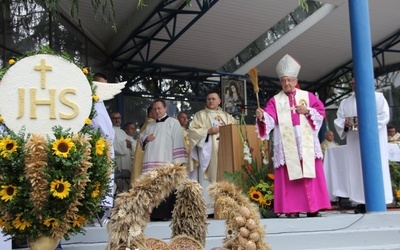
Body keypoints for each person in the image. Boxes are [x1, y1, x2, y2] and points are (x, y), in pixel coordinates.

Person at [255, 54, 331, 218]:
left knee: (309, 171)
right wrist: (262, 117)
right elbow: (270, 117)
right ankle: (292, 209)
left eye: (289, 80)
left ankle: (313, 208)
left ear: (295, 80)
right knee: (289, 174)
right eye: (283, 81)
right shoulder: (275, 100)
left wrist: (308, 111)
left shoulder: (308, 96)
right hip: (287, 141)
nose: (286, 83)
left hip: (306, 141)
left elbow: (321, 112)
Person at [334, 77, 393, 213]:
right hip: (355, 142)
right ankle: (360, 202)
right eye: (352, 83)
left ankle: (380, 200)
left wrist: (365, 123)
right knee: (357, 169)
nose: (354, 85)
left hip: (374, 140)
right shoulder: (345, 102)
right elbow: (339, 120)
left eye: (357, 82)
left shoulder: (378, 97)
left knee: (375, 167)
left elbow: (384, 116)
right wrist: (345, 124)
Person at [188, 91, 236, 215]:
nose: (211, 101)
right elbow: (193, 131)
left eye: (213, 99)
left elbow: (235, 131)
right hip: (208, 154)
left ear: (219, 101)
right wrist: (208, 131)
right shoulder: (200, 115)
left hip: (225, 152)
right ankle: (209, 209)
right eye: (208, 99)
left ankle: (226, 207)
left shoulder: (228, 116)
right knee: (208, 180)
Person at [140, 99, 187, 220]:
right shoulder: (149, 125)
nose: (157, 111)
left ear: (165, 109)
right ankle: (155, 214)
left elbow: (178, 141)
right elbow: (141, 140)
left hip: (167, 160)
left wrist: (178, 163)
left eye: (159, 108)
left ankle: (166, 214)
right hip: (152, 160)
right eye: (154, 109)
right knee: (153, 188)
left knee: (167, 188)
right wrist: (146, 139)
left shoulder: (173, 123)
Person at [130, 105, 156, 184]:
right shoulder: (151, 124)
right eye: (156, 110)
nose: (159, 113)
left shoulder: (147, 124)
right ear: (151, 114)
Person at [111, 112, 136, 192]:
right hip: (117, 162)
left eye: (118, 118)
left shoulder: (123, 132)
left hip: (126, 162)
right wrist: (125, 144)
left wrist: (129, 145)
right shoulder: (109, 131)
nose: (117, 120)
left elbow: (131, 149)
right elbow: (110, 146)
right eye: (114, 118)